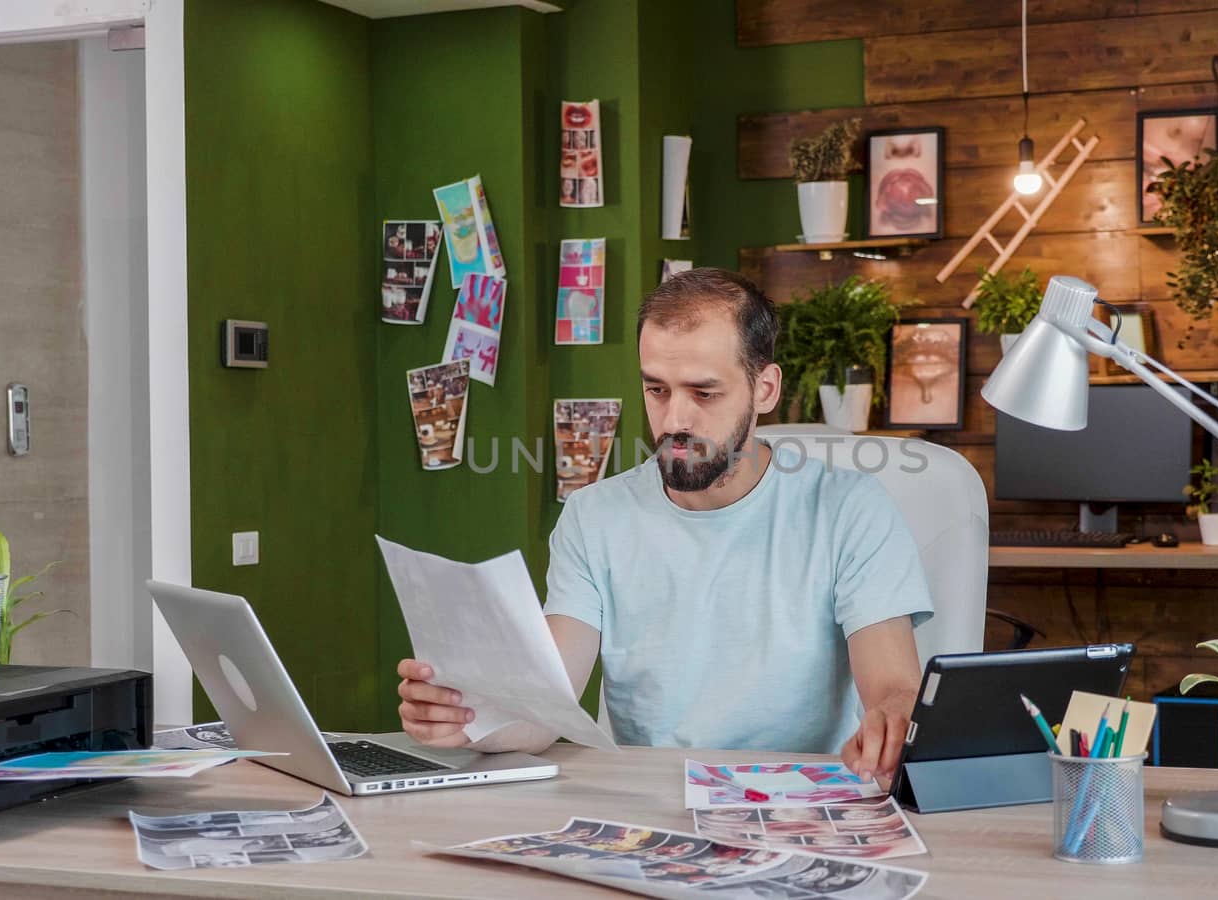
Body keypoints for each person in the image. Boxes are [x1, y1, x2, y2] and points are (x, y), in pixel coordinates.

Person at [396, 267, 932, 782]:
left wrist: (892, 721)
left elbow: (891, 688)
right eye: (657, 390)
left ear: (765, 389)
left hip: (795, 802)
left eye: (704, 393)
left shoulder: (850, 510)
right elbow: (547, 706)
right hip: (648, 808)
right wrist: (470, 720)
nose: (676, 419)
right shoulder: (594, 517)